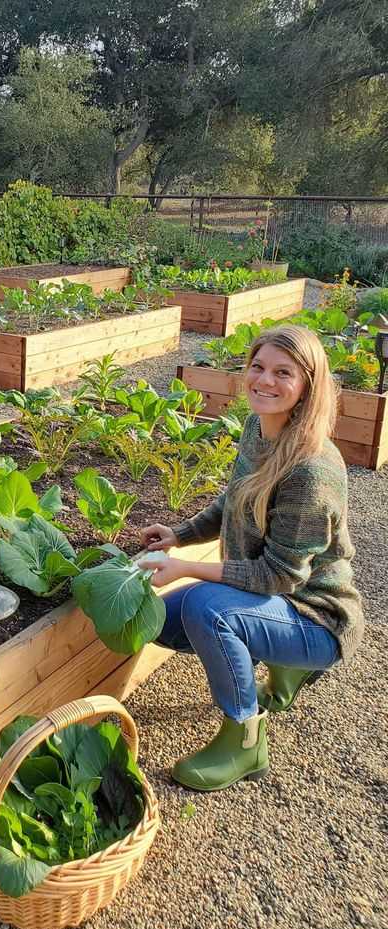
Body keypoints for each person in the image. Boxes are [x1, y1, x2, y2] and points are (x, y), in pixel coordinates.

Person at [139, 325, 363, 792]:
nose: (265, 381)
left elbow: (280, 575)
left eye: (284, 373)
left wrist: (188, 570)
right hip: (276, 600)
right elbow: (233, 501)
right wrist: (178, 537)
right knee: (158, 620)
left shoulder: (311, 471)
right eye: (258, 367)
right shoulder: (256, 428)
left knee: (207, 609)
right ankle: (285, 667)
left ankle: (244, 738)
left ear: (307, 386)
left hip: (316, 614)